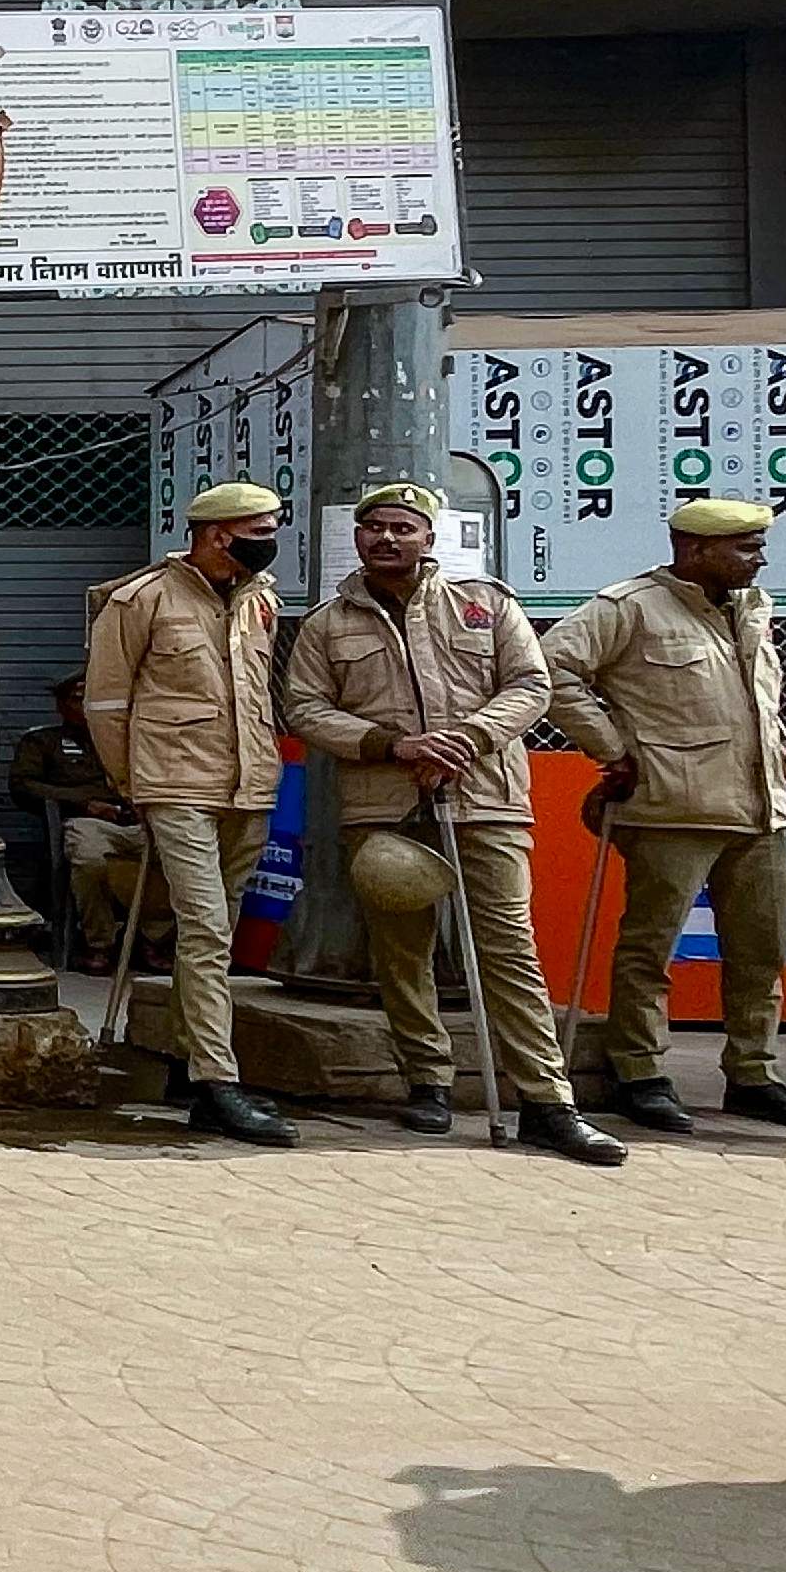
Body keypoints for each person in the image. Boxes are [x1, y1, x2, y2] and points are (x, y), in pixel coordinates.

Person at [282, 484, 625, 1165]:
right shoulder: (327, 624)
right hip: (383, 805)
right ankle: (426, 1080)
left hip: (485, 799)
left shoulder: (486, 605)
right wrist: (390, 745)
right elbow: (303, 707)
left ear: (427, 537)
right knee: (400, 949)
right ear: (356, 538)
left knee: (508, 950)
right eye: (372, 527)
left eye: (401, 527)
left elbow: (531, 686)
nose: (385, 538)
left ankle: (546, 1101)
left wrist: (466, 738)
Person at [544, 498, 786, 1134]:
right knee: (650, 948)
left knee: (764, 949)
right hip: (670, 808)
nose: (760, 558)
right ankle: (640, 1072)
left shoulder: (753, 607)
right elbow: (551, 670)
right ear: (695, 549)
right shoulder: (628, 606)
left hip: (761, 808)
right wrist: (612, 747)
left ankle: (753, 1073)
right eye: (745, 547)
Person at [85, 481, 292, 1146]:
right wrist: (131, 782)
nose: (268, 542)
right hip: (172, 784)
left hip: (248, 786)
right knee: (204, 928)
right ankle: (214, 1082)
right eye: (257, 531)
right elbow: (106, 705)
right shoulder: (139, 600)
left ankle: (183, 1057)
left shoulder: (260, 600)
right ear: (214, 535)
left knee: (216, 933)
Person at [10, 677, 139, 970]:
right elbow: (23, 785)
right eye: (77, 699)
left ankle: (154, 940)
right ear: (61, 705)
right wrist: (83, 804)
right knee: (91, 859)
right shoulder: (44, 742)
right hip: (87, 821)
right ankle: (100, 944)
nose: (85, 707)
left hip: (137, 822)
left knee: (178, 857)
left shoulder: (126, 740)